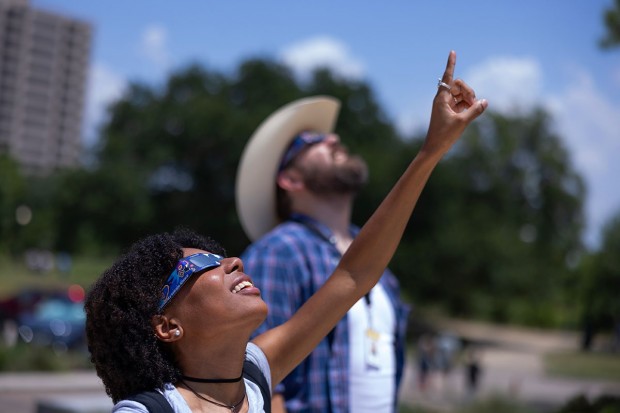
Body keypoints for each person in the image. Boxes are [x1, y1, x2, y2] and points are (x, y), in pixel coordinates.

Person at [85, 51, 487, 413]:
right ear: (168, 325)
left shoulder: (254, 379)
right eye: (205, 263)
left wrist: (431, 150)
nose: (234, 261)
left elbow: (353, 276)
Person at [235, 95, 409, 412]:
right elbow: (260, 382)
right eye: (311, 141)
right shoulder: (278, 252)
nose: (333, 138)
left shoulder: (380, 263)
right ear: (290, 178)